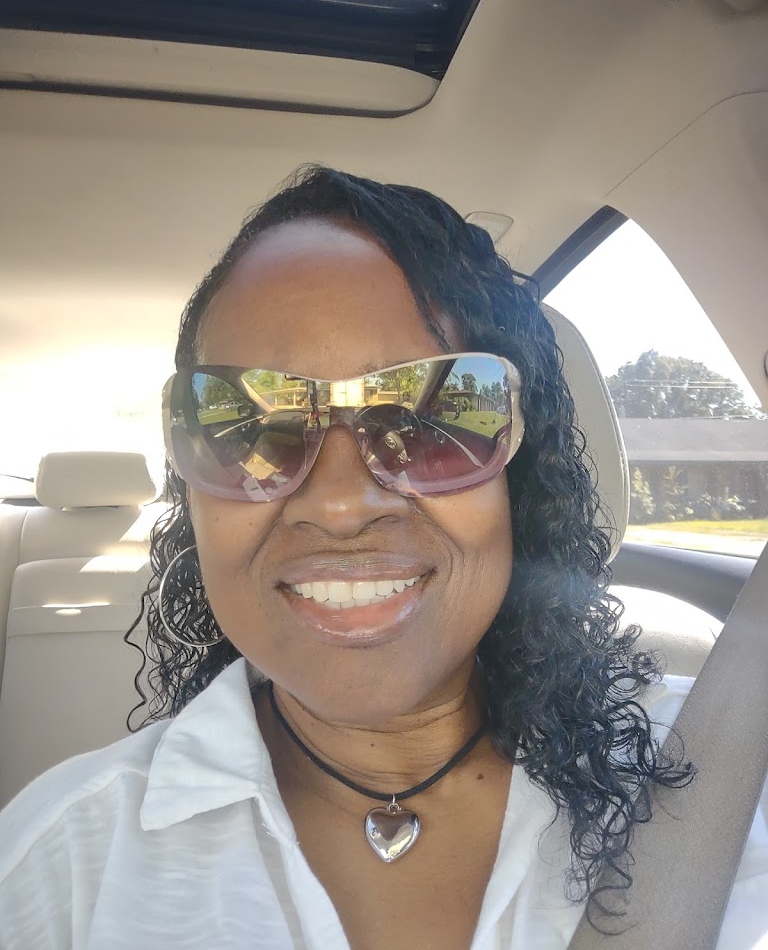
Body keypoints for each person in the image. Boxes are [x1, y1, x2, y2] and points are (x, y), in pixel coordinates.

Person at [0, 167, 766, 949]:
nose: (340, 505)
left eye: (431, 418)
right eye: (249, 427)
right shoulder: (57, 869)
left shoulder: (725, 777)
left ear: (519, 475)